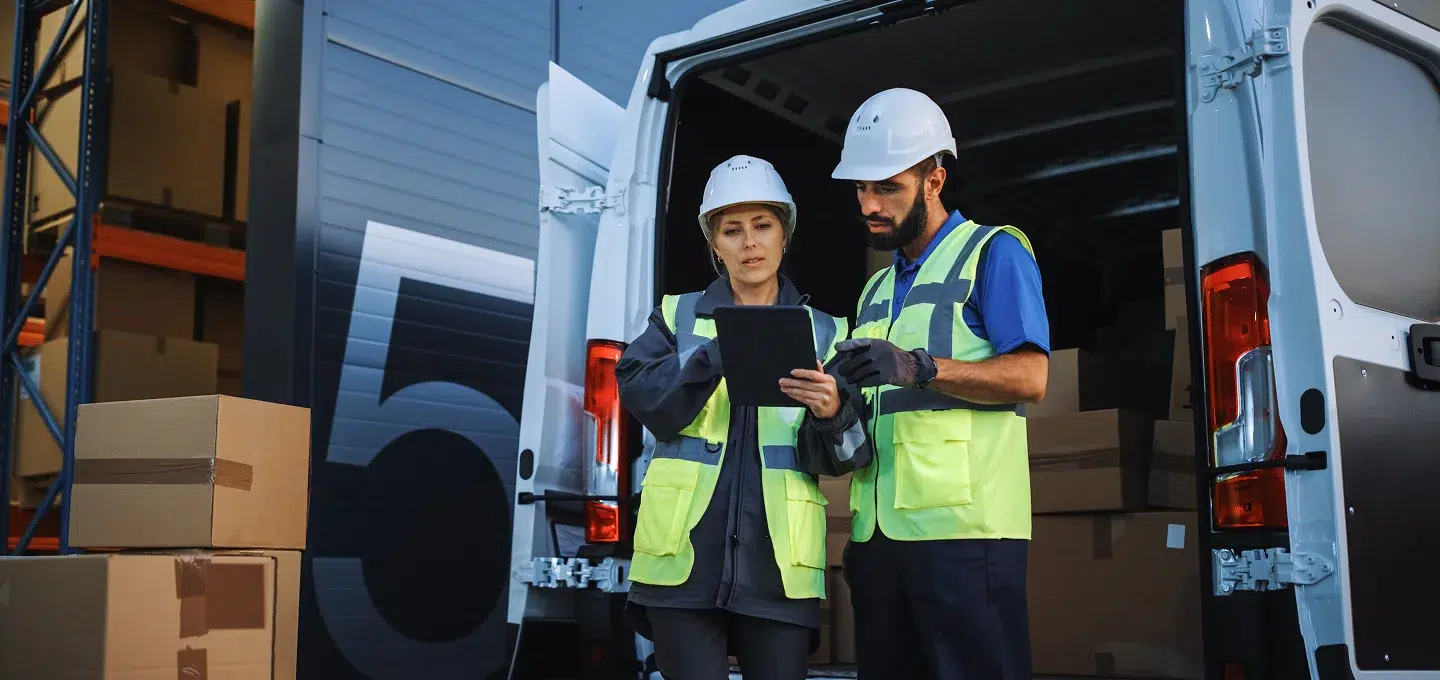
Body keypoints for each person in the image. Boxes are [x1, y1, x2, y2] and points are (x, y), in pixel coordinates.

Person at [616, 155, 874, 680]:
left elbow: (854, 455)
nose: (749, 242)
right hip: (680, 565)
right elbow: (642, 398)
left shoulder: (827, 332)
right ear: (714, 243)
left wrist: (832, 411)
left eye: (763, 225)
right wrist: (711, 356)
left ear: (785, 234)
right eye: (731, 230)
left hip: (778, 570)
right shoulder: (676, 317)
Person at [828, 88, 1051, 680]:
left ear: (935, 178)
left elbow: (1031, 377)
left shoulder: (994, 253)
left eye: (887, 187)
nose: (870, 204)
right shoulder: (874, 290)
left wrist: (926, 368)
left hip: (965, 538)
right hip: (876, 538)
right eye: (861, 189)